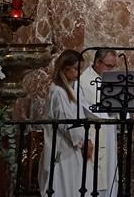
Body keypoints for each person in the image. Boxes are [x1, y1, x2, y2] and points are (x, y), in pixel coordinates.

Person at [38, 49, 94, 197]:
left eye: (80, 69)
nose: (79, 73)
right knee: (65, 187)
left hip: (72, 148)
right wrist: (83, 142)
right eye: (76, 69)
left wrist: (86, 139)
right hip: (64, 150)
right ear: (65, 68)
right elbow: (67, 122)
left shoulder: (69, 90)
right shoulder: (58, 91)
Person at [79, 49, 119, 197]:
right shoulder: (83, 81)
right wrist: (105, 110)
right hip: (93, 134)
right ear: (97, 62)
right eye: (108, 66)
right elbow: (82, 108)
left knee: (109, 172)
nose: (111, 70)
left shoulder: (113, 80)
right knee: (94, 175)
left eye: (113, 66)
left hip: (109, 134)